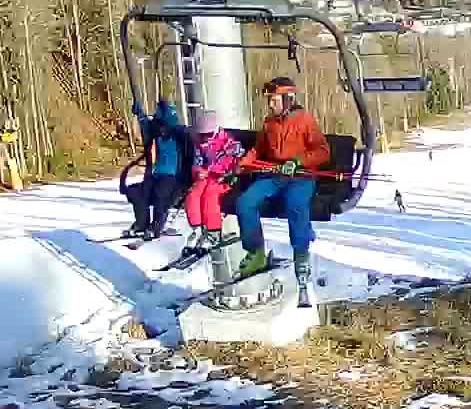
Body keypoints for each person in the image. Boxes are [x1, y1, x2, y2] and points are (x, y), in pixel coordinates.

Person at [235, 77, 330, 288]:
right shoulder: (269, 123)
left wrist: (298, 161)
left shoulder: (305, 120)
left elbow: (323, 151)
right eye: (269, 100)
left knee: (295, 205)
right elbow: (258, 150)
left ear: (288, 99)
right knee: (245, 203)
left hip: (301, 176)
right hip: (274, 175)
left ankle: (301, 252)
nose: (270, 105)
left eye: (274, 100)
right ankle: (255, 251)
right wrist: (243, 163)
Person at [124, 99, 185, 238]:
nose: (160, 130)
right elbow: (147, 125)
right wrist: (140, 114)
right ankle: (141, 223)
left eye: (162, 126)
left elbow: (191, 155)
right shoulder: (157, 132)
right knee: (137, 192)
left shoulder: (180, 135)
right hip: (156, 175)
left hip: (173, 177)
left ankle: (156, 226)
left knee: (160, 194)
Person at [183, 109, 245, 249]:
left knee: (209, 195)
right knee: (194, 194)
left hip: (223, 179)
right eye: (202, 135)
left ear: (216, 131)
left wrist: (230, 169)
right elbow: (197, 162)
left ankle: (213, 232)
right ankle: (197, 230)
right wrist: (198, 172)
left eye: (208, 135)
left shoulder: (228, 144)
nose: (205, 139)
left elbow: (237, 160)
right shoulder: (199, 146)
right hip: (206, 177)